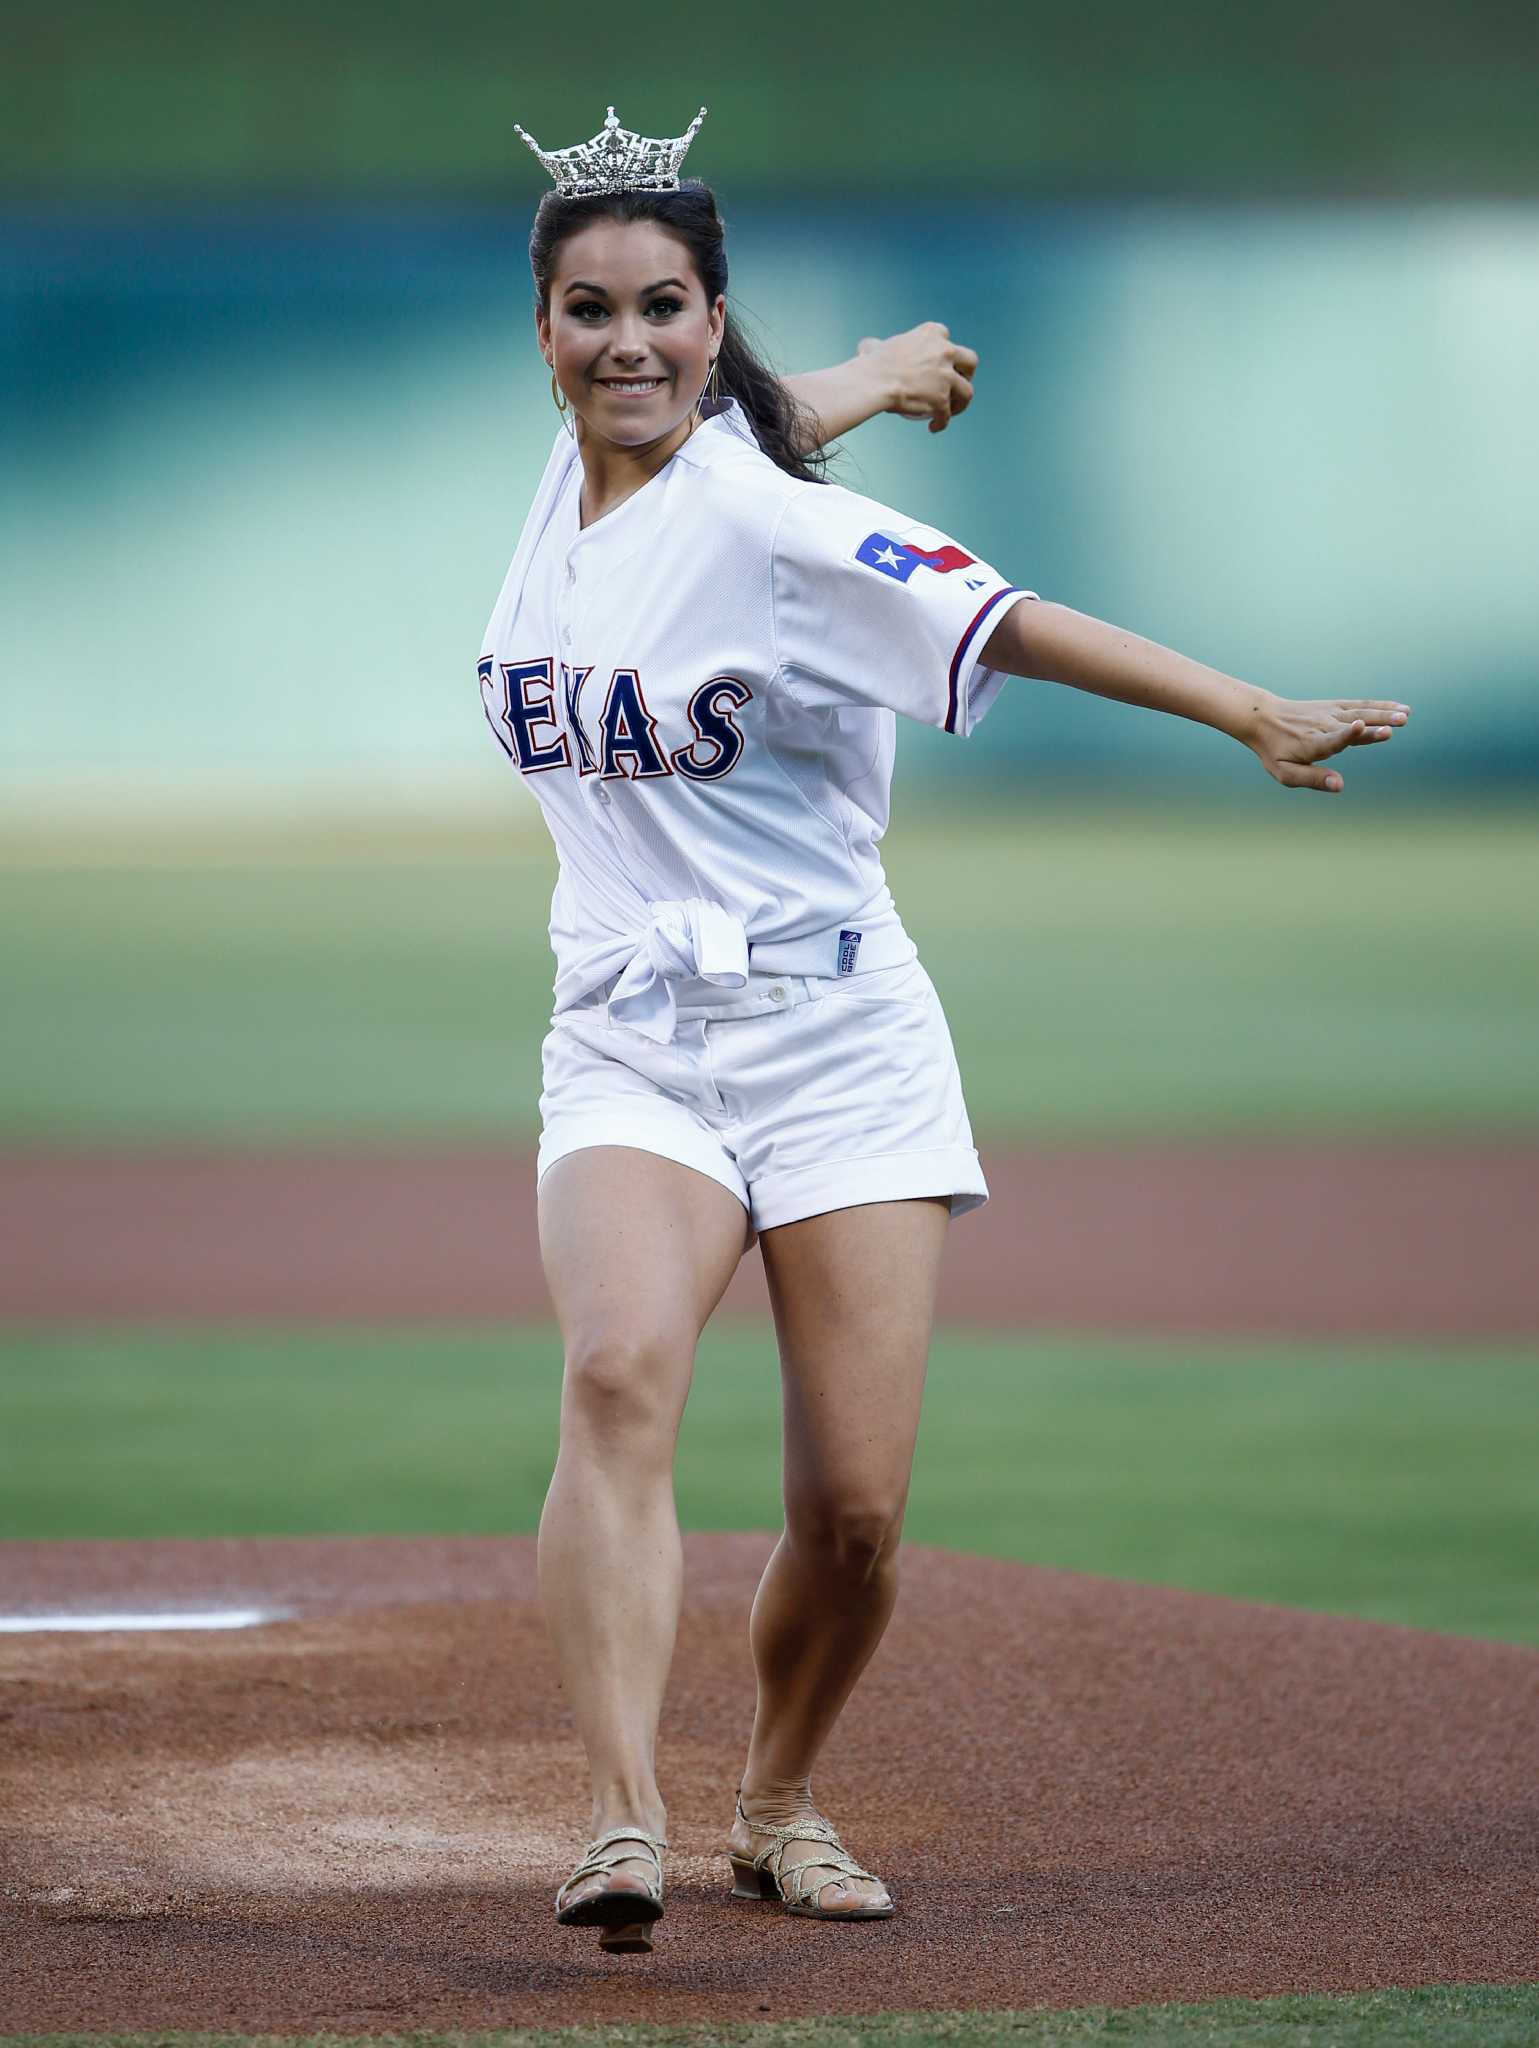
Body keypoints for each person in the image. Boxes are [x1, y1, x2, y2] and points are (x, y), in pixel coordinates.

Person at [484, 105, 1411, 1954]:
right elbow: (761, 405)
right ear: (546, 335)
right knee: (613, 1374)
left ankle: (775, 1799)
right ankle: (618, 1817)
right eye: (590, 312)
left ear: (710, 309)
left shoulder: (780, 519)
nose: (627, 344)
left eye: (665, 309)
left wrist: (1246, 709)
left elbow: (1008, 614)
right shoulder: (593, 476)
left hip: (840, 1040)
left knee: (857, 1514)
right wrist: (887, 365)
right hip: (630, 1031)